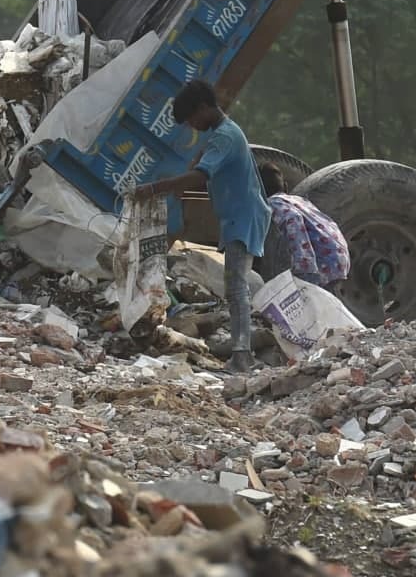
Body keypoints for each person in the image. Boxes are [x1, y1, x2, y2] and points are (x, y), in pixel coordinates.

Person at [134, 79, 271, 373]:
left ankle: (242, 355)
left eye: (192, 119)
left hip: (243, 218)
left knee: (236, 288)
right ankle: (241, 352)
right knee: (235, 288)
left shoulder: (224, 138)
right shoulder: (223, 134)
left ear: (204, 108)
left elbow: (199, 176)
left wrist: (154, 189)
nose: (192, 126)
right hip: (238, 216)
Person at [258, 163, 350, 292]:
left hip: (323, 263)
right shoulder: (298, 200)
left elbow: (293, 221)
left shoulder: (273, 205)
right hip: (338, 254)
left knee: (310, 301)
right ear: (285, 186)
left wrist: (305, 276)